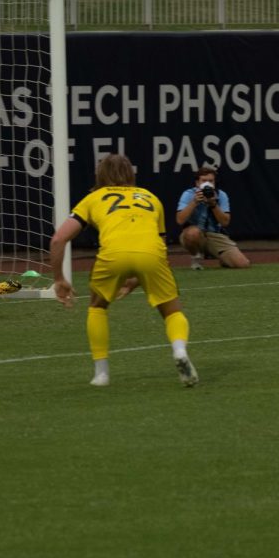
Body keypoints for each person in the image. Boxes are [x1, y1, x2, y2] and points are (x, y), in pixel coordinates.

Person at [48, 153, 198, 387]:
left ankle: (101, 374)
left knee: (97, 306)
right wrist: (136, 279)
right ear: (131, 174)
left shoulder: (93, 198)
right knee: (171, 311)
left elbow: (58, 240)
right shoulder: (151, 197)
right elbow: (156, 247)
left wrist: (59, 278)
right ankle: (179, 351)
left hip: (113, 254)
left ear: (100, 174)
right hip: (152, 255)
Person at [176, 165, 250, 269]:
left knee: (242, 264)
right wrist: (194, 202)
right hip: (194, 233)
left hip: (214, 234)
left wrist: (213, 204)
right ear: (197, 183)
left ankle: (223, 259)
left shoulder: (221, 195)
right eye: (204, 180)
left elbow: (225, 222)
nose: (208, 184)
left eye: (211, 181)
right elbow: (180, 220)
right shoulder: (188, 194)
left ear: (215, 183)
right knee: (192, 233)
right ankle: (196, 258)